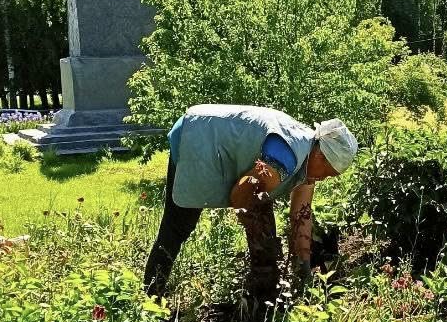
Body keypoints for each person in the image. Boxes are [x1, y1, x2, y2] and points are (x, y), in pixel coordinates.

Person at [144, 104, 358, 299]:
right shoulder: (287, 157)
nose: (323, 179)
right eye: (328, 173)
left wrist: (303, 269)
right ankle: (151, 297)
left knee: (261, 218)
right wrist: (260, 240)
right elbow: (241, 195)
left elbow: (301, 216)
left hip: (214, 138)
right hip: (199, 135)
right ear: (320, 156)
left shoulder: (308, 162)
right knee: (178, 226)